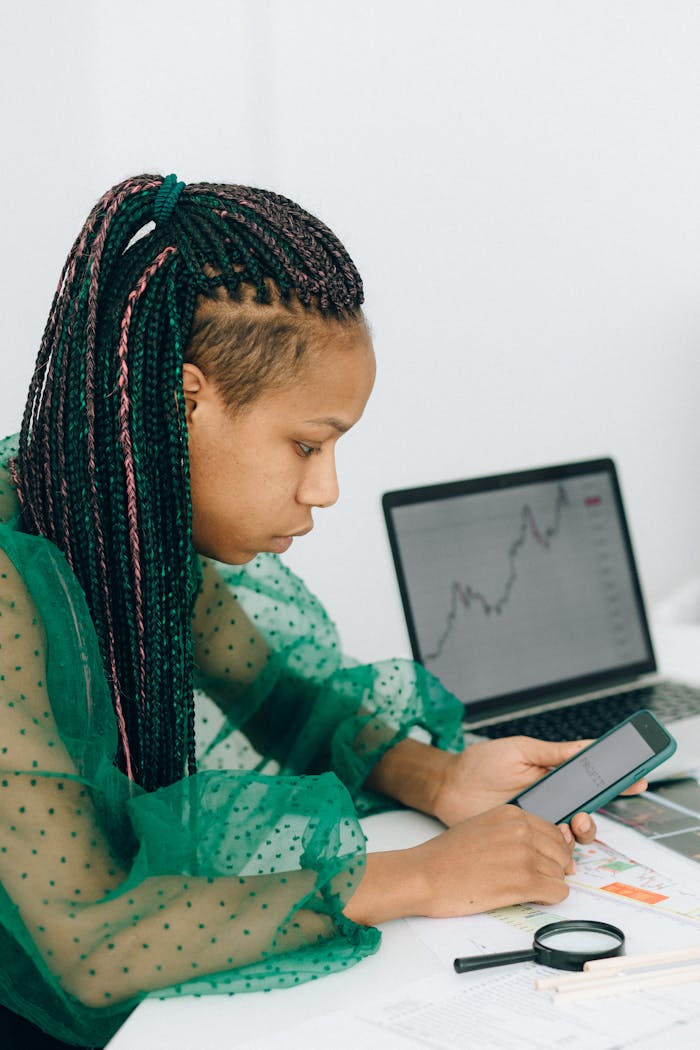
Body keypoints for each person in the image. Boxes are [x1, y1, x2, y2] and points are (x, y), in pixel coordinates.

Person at [0, 174, 637, 1048]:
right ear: (184, 401)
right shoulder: (9, 585)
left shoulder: (122, 526)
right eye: (307, 444)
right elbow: (87, 943)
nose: (326, 489)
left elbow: (285, 698)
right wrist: (416, 878)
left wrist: (441, 777)